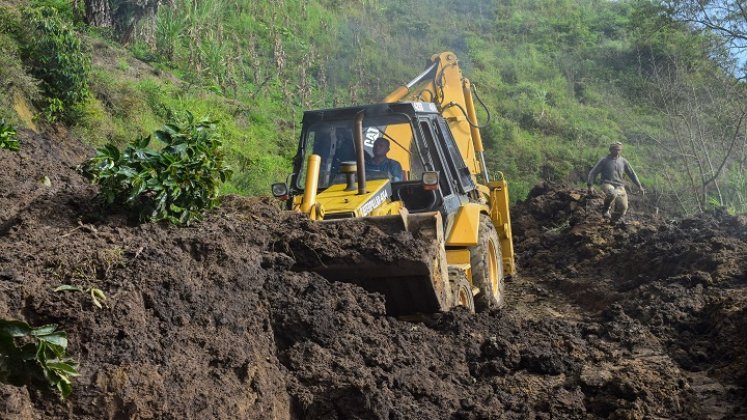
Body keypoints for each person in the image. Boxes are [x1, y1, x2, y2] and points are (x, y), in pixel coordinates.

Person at [587, 141, 645, 223]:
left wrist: (639, 186)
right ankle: (606, 210)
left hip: (620, 186)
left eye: (619, 150)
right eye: (615, 149)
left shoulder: (623, 161)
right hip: (606, 183)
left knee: (624, 207)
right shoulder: (604, 160)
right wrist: (590, 185)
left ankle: (613, 221)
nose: (617, 151)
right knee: (612, 193)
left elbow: (632, 173)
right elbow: (593, 172)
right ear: (610, 150)